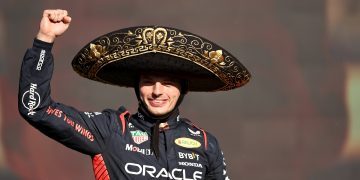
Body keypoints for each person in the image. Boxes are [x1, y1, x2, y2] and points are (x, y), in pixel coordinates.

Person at [18, 9, 251, 180]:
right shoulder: (110, 130)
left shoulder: (206, 143)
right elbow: (36, 109)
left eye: (168, 83)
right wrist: (44, 41)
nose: (157, 91)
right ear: (137, 87)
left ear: (183, 89)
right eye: (148, 82)